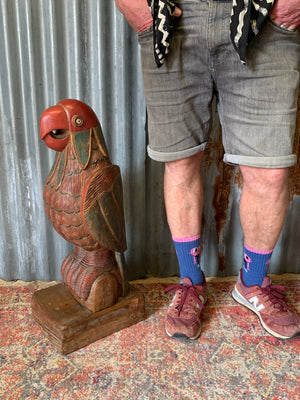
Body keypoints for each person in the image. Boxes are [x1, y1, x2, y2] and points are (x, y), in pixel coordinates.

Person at [115, 0, 300, 340]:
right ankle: (191, 280)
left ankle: (253, 282)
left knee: (270, 171)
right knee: (181, 160)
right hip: (171, 16)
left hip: (263, 15)